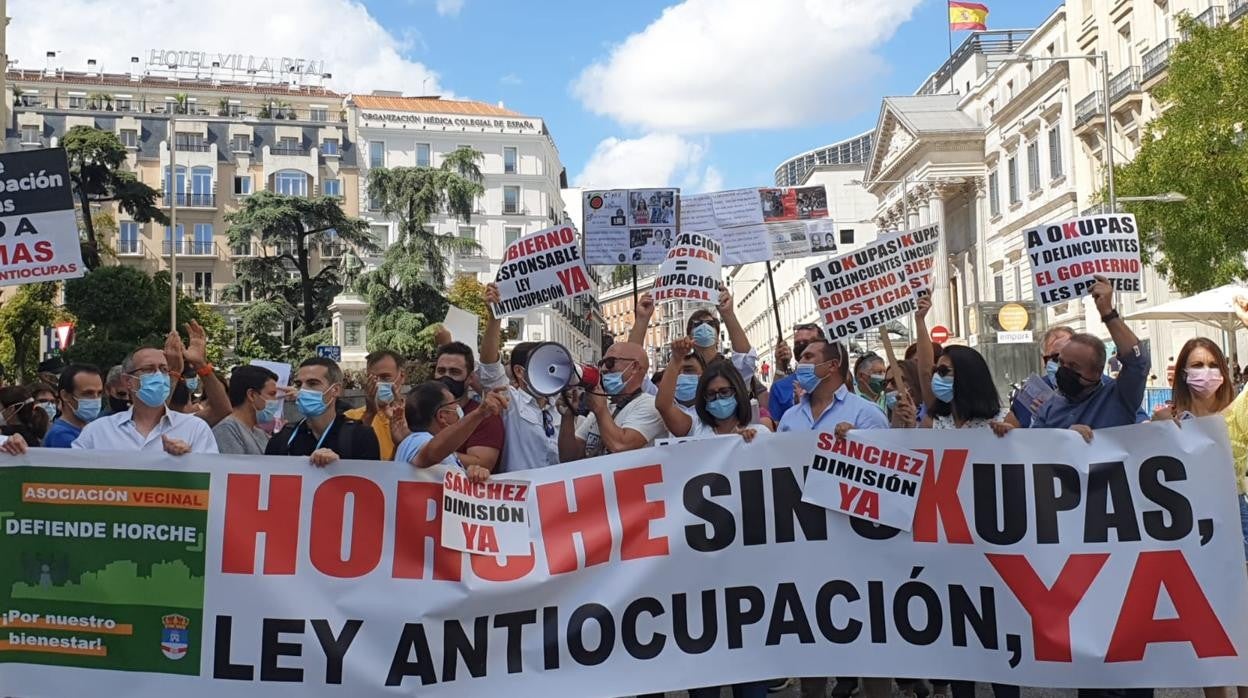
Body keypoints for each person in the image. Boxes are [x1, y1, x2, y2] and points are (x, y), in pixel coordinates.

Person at [1019, 276, 1149, 441]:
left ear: (1096, 372)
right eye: (1061, 362)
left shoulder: (1118, 397)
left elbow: (1138, 362)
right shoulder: (1049, 407)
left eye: (1074, 366)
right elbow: (1034, 449)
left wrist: (1107, 312)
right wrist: (1063, 435)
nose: (1063, 370)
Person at [479, 285, 564, 472]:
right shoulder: (511, 403)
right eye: (540, 364)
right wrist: (495, 318)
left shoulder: (560, 410)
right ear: (519, 371)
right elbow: (489, 369)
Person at [73, 346, 217, 455]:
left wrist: (190, 459)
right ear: (127, 381)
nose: (158, 375)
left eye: (164, 369)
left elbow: (212, 482)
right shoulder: (98, 431)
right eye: (149, 369)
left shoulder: (195, 429)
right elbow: (71, 482)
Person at [559, 341, 668, 461]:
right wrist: (567, 417)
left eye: (610, 362)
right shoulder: (604, 407)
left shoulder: (649, 405)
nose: (604, 369)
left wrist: (600, 410)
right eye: (602, 363)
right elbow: (568, 457)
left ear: (634, 367)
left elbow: (619, 445)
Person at [631, 285, 758, 387]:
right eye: (697, 324)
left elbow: (746, 361)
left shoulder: (730, 372)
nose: (704, 327)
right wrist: (642, 319)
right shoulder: (674, 374)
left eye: (710, 324)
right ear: (689, 335)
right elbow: (633, 372)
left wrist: (727, 314)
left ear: (717, 335)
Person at [265, 357, 380, 465]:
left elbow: (370, 482)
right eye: (299, 384)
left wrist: (341, 467)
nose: (303, 390)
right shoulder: (282, 439)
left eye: (312, 383)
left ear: (335, 390)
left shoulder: (360, 437)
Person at [392, 382, 508, 481]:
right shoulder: (419, 440)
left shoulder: (413, 441)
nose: (458, 407)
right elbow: (431, 453)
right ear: (442, 416)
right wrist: (479, 414)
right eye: (453, 403)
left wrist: (472, 474)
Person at [657, 341, 768, 442]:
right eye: (711, 394)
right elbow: (664, 406)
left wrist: (750, 442)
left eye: (724, 392)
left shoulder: (760, 433)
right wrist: (676, 359)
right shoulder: (695, 429)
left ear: (737, 392)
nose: (718, 398)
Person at [434, 341, 505, 472]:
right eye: (441, 371)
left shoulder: (486, 418)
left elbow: (482, 463)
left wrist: (430, 452)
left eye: (454, 372)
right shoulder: (422, 411)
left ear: (470, 378)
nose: (446, 377)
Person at [1005, 325, 1074, 428]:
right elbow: (1012, 430)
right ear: (1043, 361)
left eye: (1070, 357)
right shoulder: (1031, 391)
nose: (1063, 365)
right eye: (1056, 358)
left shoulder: (1099, 386)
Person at [343, 350, 406, 460]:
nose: (378, 384)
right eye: (373, 379)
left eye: (385, 377)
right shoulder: (351, 417)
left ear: (402, 377)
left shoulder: (415, 417)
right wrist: (369, 414)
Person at [213, 365, 281, 455]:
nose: (275, 400)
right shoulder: (227, 429)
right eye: (271, 394)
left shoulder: (259, 433)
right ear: (251, 395)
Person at [769, 322, 823, 422]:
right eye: (797, 343)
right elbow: (775, 429)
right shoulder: (779, 387)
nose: (801, 347)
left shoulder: (833, 380)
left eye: (807, 342)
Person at [44, 364, 105, 448]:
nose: (96, 399)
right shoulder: (60, 436)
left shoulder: (92, 428)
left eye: (99, 393)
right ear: (65, 396)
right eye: (88, 393)